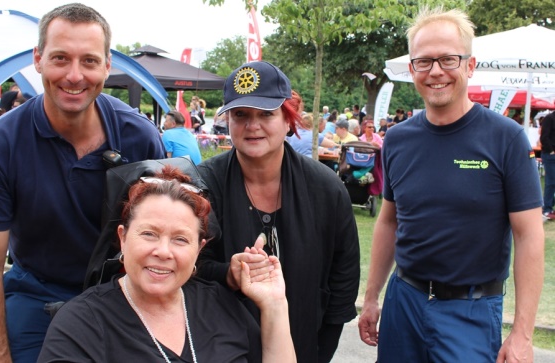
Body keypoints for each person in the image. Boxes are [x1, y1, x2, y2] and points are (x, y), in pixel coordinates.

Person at [0, 4, 166, 362]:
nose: (74, 75)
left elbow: (167, 234)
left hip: (125, 291)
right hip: (36, 291)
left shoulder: (139, 137)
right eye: (60, 58)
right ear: (38, 59)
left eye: (88, 61)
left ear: (107, 65)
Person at [358, 7, 543, 363]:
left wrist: (522, 334)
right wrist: (371, 297)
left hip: (471, 311)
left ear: (469, 66)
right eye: (424, 62)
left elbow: (529, 235)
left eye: (448, 59)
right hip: (404, 302)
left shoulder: (505, 138)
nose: (436, 71)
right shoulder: (396, 140)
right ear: (412, 70)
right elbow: (389, 221)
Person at [38, 167, 295, 362]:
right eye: (149, 234)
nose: (163, 251)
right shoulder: (82, 323)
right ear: (123, 238)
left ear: (199, 249)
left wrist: (274, 306)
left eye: (180, 239)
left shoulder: (221, 306)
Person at [196, 60, 360, 363]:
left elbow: (343, 277)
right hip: (219, 348)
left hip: (306, 344)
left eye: (266, 114)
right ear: (228, 121)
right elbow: (189, 266)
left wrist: (322, 350)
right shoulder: (203, 185)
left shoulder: (325, 188)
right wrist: (228, 274)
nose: (252, 125)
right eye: (240, 114)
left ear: (288, 120)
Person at [540, 111, 555, 220]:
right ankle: (547, 209)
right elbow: (544, 137)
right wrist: (551, 151)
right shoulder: (549, 118)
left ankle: (549, 207)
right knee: (551, 182)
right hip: (549, 155)